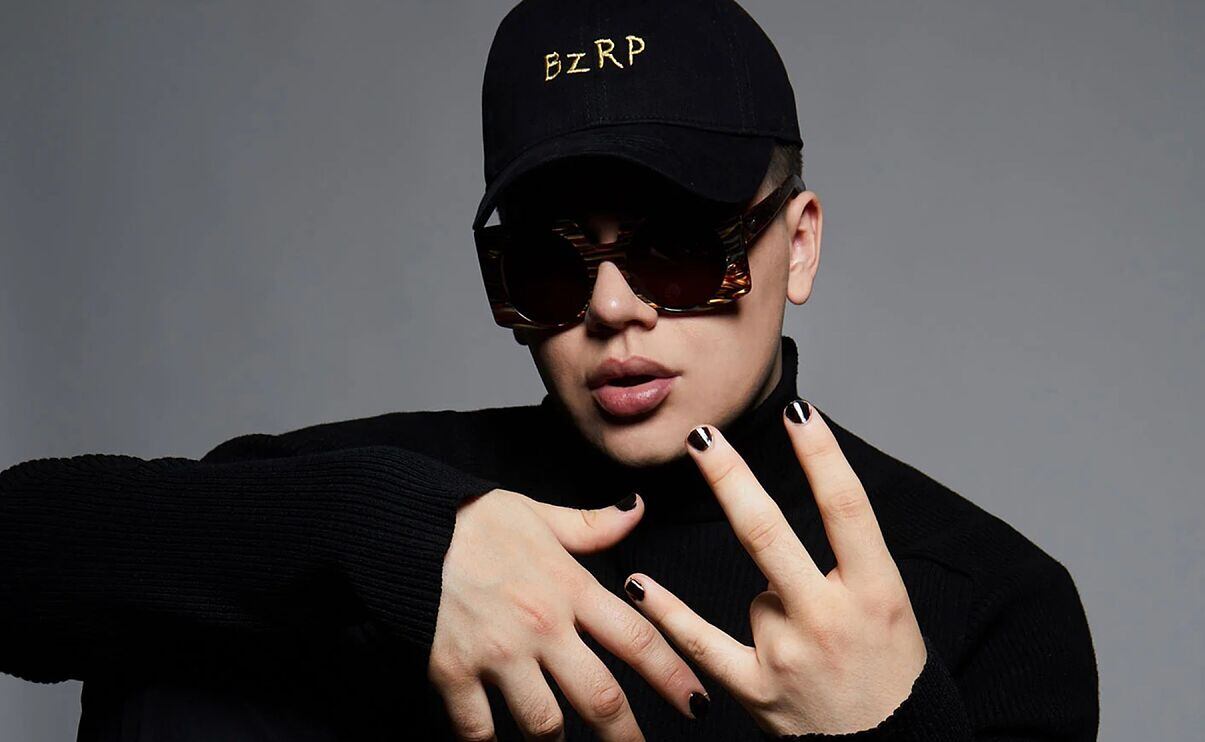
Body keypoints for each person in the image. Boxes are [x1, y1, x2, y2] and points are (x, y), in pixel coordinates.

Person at [0, 1, 1100, 740]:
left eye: (679, 249)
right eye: (549, 263)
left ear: (797, 244)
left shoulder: (988, 600)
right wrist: (391, 541)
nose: (612, 307)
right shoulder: (374, 496)